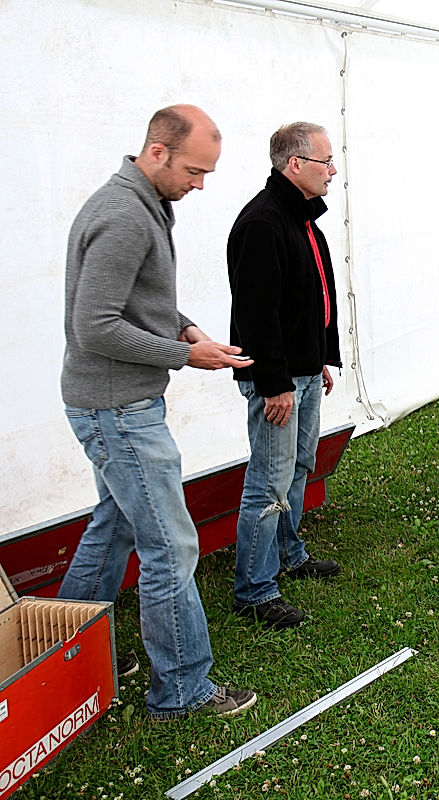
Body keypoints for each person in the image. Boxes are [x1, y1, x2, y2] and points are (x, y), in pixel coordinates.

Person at [58, 104, 256, 720]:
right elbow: (95, 327)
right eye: (196, 171)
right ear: (158, 151)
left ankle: (68, 652)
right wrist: (182, 354)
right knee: (171, 547)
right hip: (116, 408)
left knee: (114, 526)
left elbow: (139, 303)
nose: (200, 185)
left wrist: (188, 326)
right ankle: (182, 690)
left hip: (110, 402)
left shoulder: (142, 202)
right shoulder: (123, 216)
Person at [227, 122, 343, 629]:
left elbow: (310, 298)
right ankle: (254, 590)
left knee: (297, 468)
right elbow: (257, 315)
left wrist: (318, 356)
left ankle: (288, 555)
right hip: (278, 381)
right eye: (325, 162)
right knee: (268, 482)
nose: (333, 170)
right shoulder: (262, 222)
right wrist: (274, 382)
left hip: (301, 371)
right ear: (294, 165)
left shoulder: (301, 220)